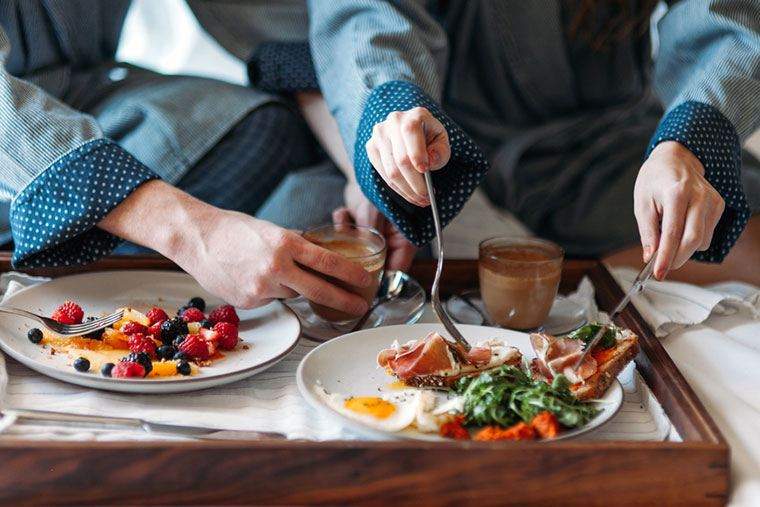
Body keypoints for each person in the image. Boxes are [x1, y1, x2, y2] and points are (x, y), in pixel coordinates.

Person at [252, 0, 759, 285]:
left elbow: (733, 17)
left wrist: (689, 141)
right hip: (454, 134)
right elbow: (370, 15)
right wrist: (388, 118)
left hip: (636, 132)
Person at [0, 0, 419, 316]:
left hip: (89, 92)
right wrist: (194, 233)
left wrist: (363, 155)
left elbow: (320, 20)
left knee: (277, 130)